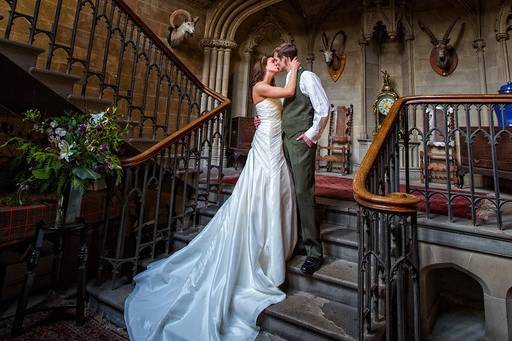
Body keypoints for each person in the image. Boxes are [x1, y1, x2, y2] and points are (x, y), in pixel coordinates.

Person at [124, 55, 301, 341]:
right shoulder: (259, 85)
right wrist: (294, 70)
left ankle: (273, 242)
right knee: (262, 188)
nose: (275, 64)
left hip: (273, 139)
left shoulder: (269, 88)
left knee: (274, 188)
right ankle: (262, 247)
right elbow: (289, 93)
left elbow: (281, 105)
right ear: (263, 66)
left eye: (277, 62)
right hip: (266, 143)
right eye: (271, 61)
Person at [256, 43, 330, 275]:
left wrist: (311, 136)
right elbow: (281, 107)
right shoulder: (288, 78)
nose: (275, 63)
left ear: (285, 58)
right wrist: (262, 119)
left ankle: (314, 251)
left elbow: (324, 108)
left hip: (299, 142)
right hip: (283, 142)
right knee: (290, 190)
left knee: (302, 192)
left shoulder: (306, 76)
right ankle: (298, 241)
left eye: (276, 59)